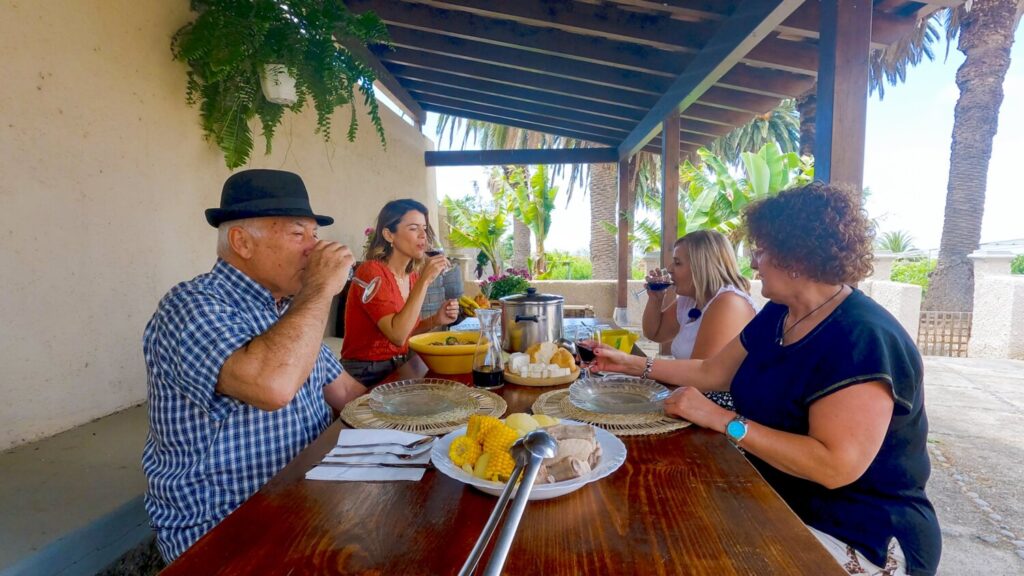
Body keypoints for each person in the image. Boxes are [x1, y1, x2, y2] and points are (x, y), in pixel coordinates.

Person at [591, 182, 940, 576]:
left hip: (859, 531)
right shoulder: (780, 313)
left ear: (796, 257)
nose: (754, 263)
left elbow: (834, 466)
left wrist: (723, 420)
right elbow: (712, 371)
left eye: (760, 250)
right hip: (780, 498)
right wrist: (629, 364)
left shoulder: (863, 336)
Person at [142, 169, 368, 562]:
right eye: (298, 234)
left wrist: (423, 423)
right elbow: (273, 387)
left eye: (315, 235)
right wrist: (320, 289)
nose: (315, 249)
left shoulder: (289, 311)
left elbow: (347, 392)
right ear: (241, 242)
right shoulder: (190, 305)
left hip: (306, 505)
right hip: (225, 531)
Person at [341, 199, 459, 385]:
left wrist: (436, 319)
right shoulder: (371, 272)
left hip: (401, 364)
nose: (423, 235)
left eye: (424, 228)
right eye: (413, 228)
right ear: (389, 235)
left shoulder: (410, 276)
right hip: (367, 372)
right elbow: (397, 336)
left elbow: (408, 330)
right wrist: (425, 280)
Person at [640, 230, 756, 409]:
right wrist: (655, 299)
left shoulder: (730, 303)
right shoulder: (691, 300)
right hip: (693, 399)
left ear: (702, 266)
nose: (669, 269)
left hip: (723, 409)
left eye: (677, 263)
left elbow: (700, 379)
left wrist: (635, 366)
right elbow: (655, 333)